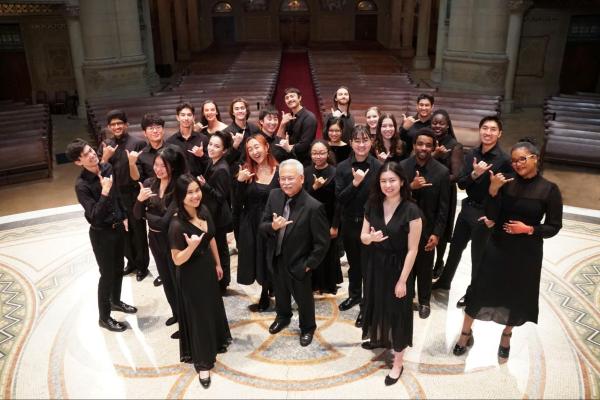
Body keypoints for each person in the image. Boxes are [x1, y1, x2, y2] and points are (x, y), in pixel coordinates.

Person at [453, 139, 562, 359]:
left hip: (526, 252)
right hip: (497, 246)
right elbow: (493, 216)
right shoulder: (507, 182)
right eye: (514, 161)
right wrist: (493, 191)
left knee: (517, 293)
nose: (517, 164)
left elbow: (554, 226)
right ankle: (465, 332)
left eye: (522, 159)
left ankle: (506, 335)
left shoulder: (549, 190)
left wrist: (529, 229)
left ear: (535, 158)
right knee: (480, 288)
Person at [432, 116, 513, 308]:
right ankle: (444, 281)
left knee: (478, 257)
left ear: (499, 134)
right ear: (480, 130)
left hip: (485, 213)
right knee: (455, 249)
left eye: (493, 129)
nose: (488, 132)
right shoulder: (472, 154)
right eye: (485, 128)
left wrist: (494, 216)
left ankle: (474, 293)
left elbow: (508, 193)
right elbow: (461, 183)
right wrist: (475, 174)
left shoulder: (504, 160)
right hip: (468, 207)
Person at [360, 161, 422, 386]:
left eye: (392, 180)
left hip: (398, 267)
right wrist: (370, 239)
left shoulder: (412, 211)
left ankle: (398, 363)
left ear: (402, 181)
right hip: (375, 264)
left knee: (398, 312)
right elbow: (363, 237)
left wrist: (403, 281)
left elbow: (413, 249)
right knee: (377, 304)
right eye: (384, 181)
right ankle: (380, 338)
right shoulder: (372, 204)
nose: (388, 185)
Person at [66, 138, 137, 332]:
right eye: (86, 155)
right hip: (101, 234)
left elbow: (118, 195)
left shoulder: (106, 168)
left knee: (119, 267)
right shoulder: (82, 186)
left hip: (118, 228)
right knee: (106, 275)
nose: (91, 155)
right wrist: (104, 192)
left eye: (91, 150)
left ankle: (115, 301)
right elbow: (95, 216)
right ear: (78, 162)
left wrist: (123, 215)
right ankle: (104, 317)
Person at [169, 174, 232, 388]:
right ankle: (203, 364)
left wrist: (217, 263)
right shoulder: (177, 224)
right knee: (198, 316)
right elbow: (177, 259)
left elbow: (212, 237)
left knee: (211, 308)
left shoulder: (203, 210)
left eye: (197, 190)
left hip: (207, 269)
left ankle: (215, 342)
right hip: (190, 274)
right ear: (180, 196)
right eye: (190, 193)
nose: (196, 195)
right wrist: (192, 247)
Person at [260, 159, 330, 347]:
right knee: (281, 293)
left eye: (290, 178)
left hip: (299, 263)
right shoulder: (274, 196)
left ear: (301, 178)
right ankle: (283, 316)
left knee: (304, 299)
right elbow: (263, 224)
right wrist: (272, 226)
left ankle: (308, 327)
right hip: (276, 257)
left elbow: (322, 244)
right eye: (282, 179)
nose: (286, 183)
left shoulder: (314, 207)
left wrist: (308, 265)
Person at [133, 145, 187, 339]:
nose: (158, 169)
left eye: (163, 166)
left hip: (173, 240)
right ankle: (176, 314)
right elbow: (137, 215)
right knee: (166, 280)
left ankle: (186, 321)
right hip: (154, 240)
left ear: (172, 166)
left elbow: (165, 223)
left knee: (178, 281)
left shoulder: (179, 186)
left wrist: (149, 215)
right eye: (156, 164)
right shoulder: (149, 183)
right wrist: (140, 201)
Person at [400, 128, 450, 319]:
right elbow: (394, 198)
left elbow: (444, 208)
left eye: (428, 145)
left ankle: (424, 301)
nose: (423, 148)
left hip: (427, 229)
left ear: (434, 147)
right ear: (414, 146)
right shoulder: (403, 167)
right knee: (406, 265)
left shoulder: (442, 172)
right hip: (404, 228)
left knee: (424, 267)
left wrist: (437, 234)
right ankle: (406, 297)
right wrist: (411, 188)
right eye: (420, 144)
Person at [335, 125, 382, 327]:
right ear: (351, 143)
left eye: (365, 140)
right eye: (357, 141)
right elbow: (340, 198)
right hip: (349, 223)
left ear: (371, 142)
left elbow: (382, 197)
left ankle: (367, 305)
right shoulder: (343, 167)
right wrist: (354, 183)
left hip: (369, 226)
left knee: (368, 267)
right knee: (354, 265)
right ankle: (354, 295)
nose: (361, 145)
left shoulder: (379, 167)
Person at [99, 110, 150, 281]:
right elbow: (98, 172)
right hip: (114, 196)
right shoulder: (106, 145)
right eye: (113, 124)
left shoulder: (138, 143)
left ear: (126, 125)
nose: (116, 127)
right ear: (109, 127)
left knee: (138, 232)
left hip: (133, 193)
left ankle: (142, 265)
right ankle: (132, 262)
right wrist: (105, 158)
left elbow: (142, 173)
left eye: (119, 123)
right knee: (123, 232)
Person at [234, 134, 280, 311]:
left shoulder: (279, 170)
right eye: (250, 149)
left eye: (257, 147)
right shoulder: (246, 172)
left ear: (266, 147)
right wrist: (239, 182)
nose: (254, 152)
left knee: (272, 257)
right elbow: (237, 203)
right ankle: (264, 292)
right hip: (252, 221)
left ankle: (272, 287)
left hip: (273, 222)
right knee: (258, 258)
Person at [430, 110, 465, 279]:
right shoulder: (428, 141)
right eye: (434, 123)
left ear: (447, 125)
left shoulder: (454, 145)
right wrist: (434, 155)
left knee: (441, 230)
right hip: (427, 192)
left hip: (444, 194)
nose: (437, 126)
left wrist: (435, 181)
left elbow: (456, 175)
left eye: (441, 123)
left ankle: (439, 262)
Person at [304, 140, 342, 295]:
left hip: (329, 217)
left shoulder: (335, 171)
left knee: (328, 251)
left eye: (321, 153)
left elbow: (339, 201)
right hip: (310, 218)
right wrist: (314, 188)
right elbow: (303, 197)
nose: (318, 156)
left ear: (328, 153)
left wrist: (335, 225)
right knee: (312, 250)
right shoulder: (306, 171)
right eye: (314, 153)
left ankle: (328, 284)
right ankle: (314, 283)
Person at [198, 131, 234, 294]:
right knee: (217, 250)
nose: (211, 148)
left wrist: (205, 186)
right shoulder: (213, 162)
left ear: (224, 150)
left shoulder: (222, 169)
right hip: (213, 213)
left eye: (216, 146)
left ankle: (223, 283)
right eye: (210, 144)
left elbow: (221, 196)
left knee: (220, 250)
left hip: (219, 216)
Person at [166, 102, 210, 176]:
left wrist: (202, 155)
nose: (186, 118)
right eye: (183, 115)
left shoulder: (203, 139)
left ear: (193, 117)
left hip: (199, 183)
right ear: (177, 117)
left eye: (189, 115)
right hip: (179, 184)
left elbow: (211, 163)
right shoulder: (170, 142)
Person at [277, 87, 318, 166]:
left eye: (292, 96)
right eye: (287, 98)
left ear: (299, 98)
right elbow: (279, 140)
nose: (289, 99)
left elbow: (304, 145)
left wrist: (287, 147)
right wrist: (282, 124)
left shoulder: (309, 117)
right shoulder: (288, 117)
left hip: (304, 162)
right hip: (289, 158)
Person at [223, 97, 261, 166]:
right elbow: (224, 160)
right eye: (236, 109)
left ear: (246, 111)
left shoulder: (255, 129)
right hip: (236, 173)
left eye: (242, 108)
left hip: (255, 167)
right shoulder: (226, 133)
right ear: (233, 112)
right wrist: (235, 146)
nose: (240, 111)